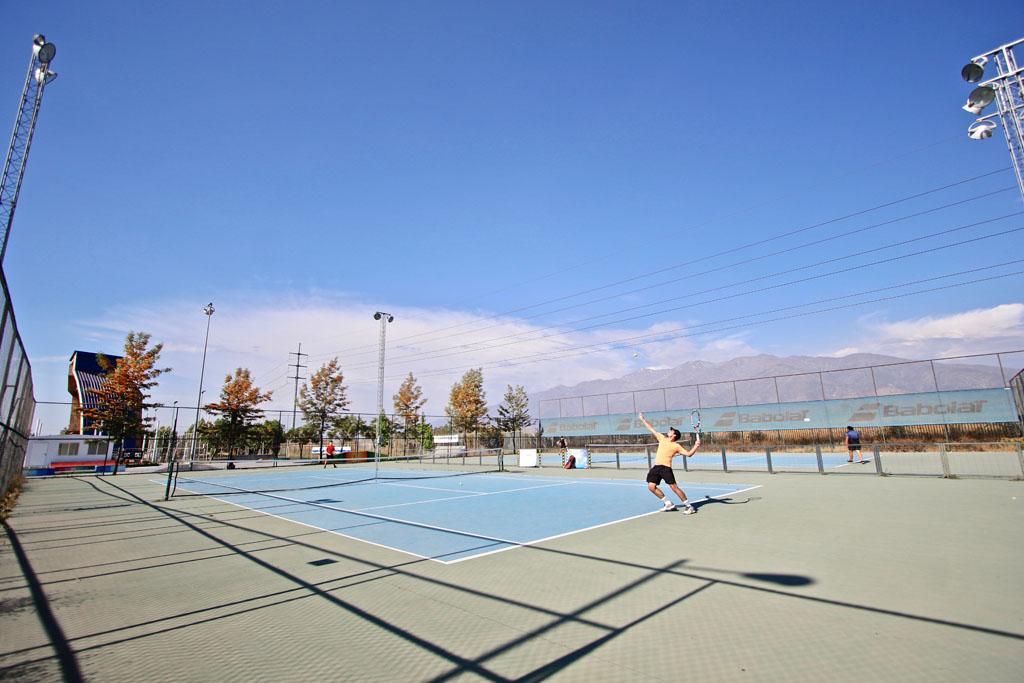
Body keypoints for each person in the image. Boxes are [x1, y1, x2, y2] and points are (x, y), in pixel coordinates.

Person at [638, 412, 700, 514]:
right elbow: (651, 429)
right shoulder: (662, 438)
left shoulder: (676, 446)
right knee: (651, 487)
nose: (669, 430)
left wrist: (696, 446)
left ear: (674, 435)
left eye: (671, 430)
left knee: (674, 488)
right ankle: (668, 503)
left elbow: (689, 454)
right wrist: (643, 420)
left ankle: (689, 507)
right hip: (656, 467)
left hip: (666, 468)